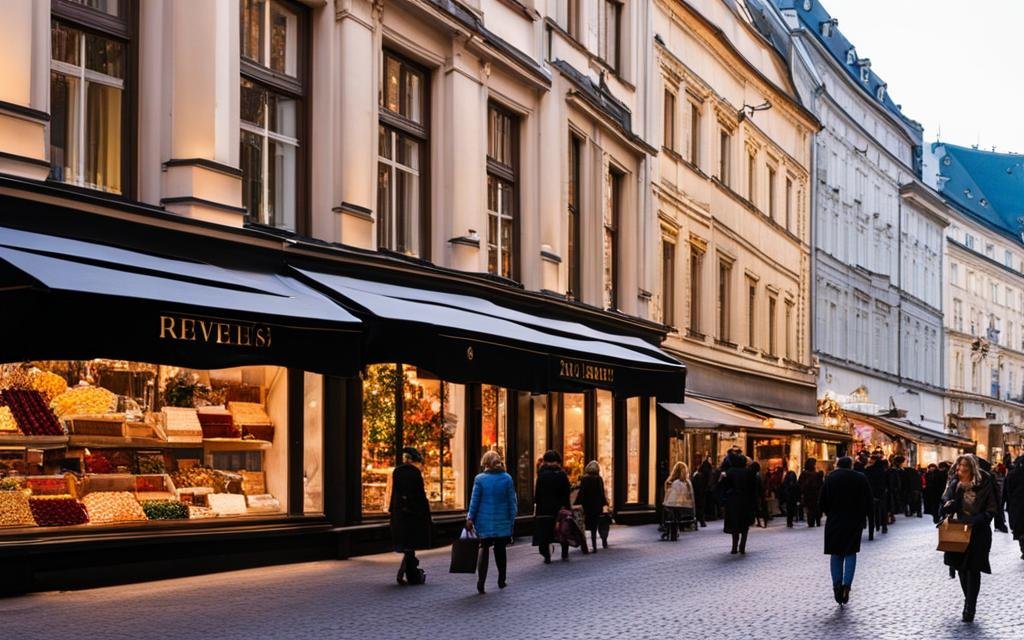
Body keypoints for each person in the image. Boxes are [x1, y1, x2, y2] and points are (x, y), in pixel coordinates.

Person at [940, 454, 999, 623]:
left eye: (964, 467)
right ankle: (968, 600)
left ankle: (970, 607)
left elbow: (991, 509)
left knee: (973, 569)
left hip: (978, 533)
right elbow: (944, 504)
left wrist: (974, 521)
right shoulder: (954, 484)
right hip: (957, 531)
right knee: (960, 569)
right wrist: (947, 506)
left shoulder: (984, 483)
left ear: (971, 469)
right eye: (959, 467)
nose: (960, 470)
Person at [820, 456, 873, 605]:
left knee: (836, 553)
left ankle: (837, 586)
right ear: (851, 465)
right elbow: (868, 500)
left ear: (838, 465)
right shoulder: (860, 477)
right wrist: (867, 517)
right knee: (850, 552)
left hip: (835, 520)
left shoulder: (831, 477)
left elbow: (822, 501)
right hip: (854, 520)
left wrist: (829, 512)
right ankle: (847, 586)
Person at [466, 450, 517, 594]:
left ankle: (481, 581)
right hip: (503, 521)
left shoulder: (480, 479)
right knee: (500, 550)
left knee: (484, 548)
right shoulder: (507, 478)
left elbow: (474, 501)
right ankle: (501, 579)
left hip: (484, 521)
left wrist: (470, 518)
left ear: (485, 463)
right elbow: (512, 501)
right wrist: (512, 519)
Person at [389, 447, 431, 586]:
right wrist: (424, 512)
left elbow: (394, 493)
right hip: (413, 512)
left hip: (399, 512)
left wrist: (392, 510)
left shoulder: (397, 472)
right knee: (410, 544)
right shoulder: (415, 473)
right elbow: (420, 495)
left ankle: (408, 572)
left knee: (407, 544)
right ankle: (408, 573)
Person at [533, 450, 572, 563]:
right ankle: (564, 553)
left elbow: (537, 494)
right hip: (560, 508)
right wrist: (566, 507)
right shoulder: (562, 474)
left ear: (545, 461)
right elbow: (566, 492)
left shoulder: (541, 475)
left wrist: (537, 505)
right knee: (563, 529)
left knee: (545, 533)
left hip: (544, 508)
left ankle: (547, 556)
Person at [720, 453, 756, 554]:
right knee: (745, 525)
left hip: (733, 501)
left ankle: (734, 547)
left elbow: (725, 486)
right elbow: (753, 488)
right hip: (746, 501)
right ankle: (742, 546)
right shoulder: (749, 472)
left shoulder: (730, 472)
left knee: (735, 524)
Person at [574, 460, 609, 551]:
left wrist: (578, 503)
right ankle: (594, 546)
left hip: (586, 506)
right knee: (594, 527)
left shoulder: (584, 478)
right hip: (596, 506)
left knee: (584, 525)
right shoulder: (598, 478)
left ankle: (584, 545)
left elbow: (582, 493)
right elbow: (601, 493)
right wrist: (605, 503)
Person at [662, 461, 695, 541]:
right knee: (676, 513)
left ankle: (668, 529)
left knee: (670, 511)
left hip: (672, 505)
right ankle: (675, 530)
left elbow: (670, 497)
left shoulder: (672, 482)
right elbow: (689, 496)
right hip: (685, 506)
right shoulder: (686, 482)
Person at [864, 452, 889, 535]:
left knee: (872, 511)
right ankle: (884, 526)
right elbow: (887, 482)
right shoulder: (884, 470)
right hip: (882, 493)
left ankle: (874, 526)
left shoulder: (868, 469)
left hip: (871, 493)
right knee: (883, 510)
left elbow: (866, 481)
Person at [1004, 455, 1024, 560]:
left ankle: (1023, 547)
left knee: (1019, 528)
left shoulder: (1012, 475)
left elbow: (1007, 491)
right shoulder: (1012, 475)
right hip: (1017, 505)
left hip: (1016, 506)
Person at [799, 458, 824, 527]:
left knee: (811, 509)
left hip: (810, 495)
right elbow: (820, 484)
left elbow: (800, 484)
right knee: (814, 509)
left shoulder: (805, 474)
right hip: (813, 495)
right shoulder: (813, 474)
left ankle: (812, 522)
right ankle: (815, 521)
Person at [691, 460, 709, 528]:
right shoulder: (704, 475)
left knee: (699, 507)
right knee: (701, 507)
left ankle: (700, 521)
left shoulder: (697, 475)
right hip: (701, 493)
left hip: (697, 493)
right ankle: (702, 521)